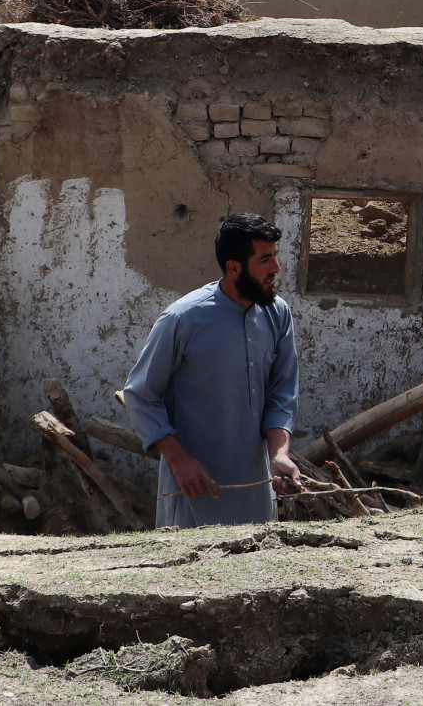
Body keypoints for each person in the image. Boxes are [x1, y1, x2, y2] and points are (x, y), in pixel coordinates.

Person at [122, 213, 302, 526]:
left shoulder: (278, 314)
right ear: (234, 267)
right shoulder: (181, 319)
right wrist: (179, 460)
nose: (275, 268)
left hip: (256, 494)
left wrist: (279, 456)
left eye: (275, 257)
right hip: (194, 492)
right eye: (265, 259)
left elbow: (281, 394)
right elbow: (140, 394)